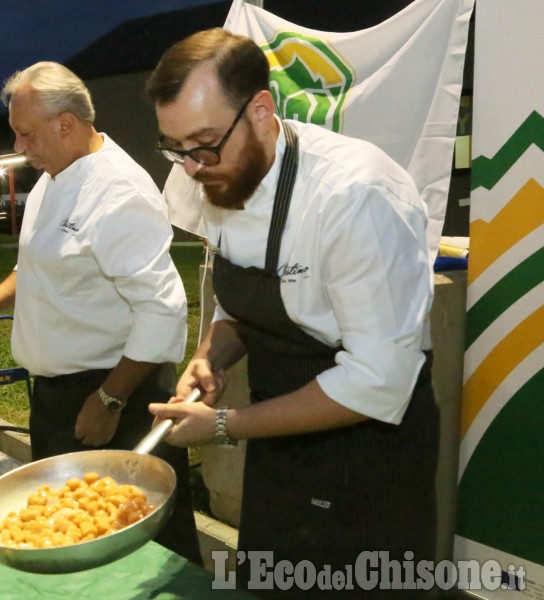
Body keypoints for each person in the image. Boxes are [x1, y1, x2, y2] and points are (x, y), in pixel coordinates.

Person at [145, 29, 439, 598]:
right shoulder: (205, 172)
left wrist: (226, 425)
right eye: (173, 147)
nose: (189, 168)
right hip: (279, 437)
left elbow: (378, 380)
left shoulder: (355, 196)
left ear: (260, 111)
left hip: (368, 452)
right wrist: (210, 356)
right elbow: (239, 299)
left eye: (204, 144)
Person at [0, 62, 201, 565]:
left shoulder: (118, 193)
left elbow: (161, 310)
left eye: (25, 134)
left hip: (116, 394)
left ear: (65, 124)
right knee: (67, 537)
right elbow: (37, 263)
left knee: (143, 546)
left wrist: (109, 399)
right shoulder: (54, 174)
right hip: (60, 397)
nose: (19, 147)